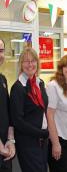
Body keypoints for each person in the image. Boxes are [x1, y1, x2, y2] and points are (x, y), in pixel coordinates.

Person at [10, 47, 49, 172]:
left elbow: (43, 111)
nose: (30, 64)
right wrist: (41, 133)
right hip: (28, 142)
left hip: (42, 141)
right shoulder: (18, 87)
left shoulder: (40, 83)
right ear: (21, 64)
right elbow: (17, 121)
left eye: (33, 61)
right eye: (26, 61)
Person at [0, 39, 15, 172]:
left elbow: (8, 112)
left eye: (1, 51)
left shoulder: (3, 79)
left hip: (5, 148)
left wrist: (10, 140)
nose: (0, 55)